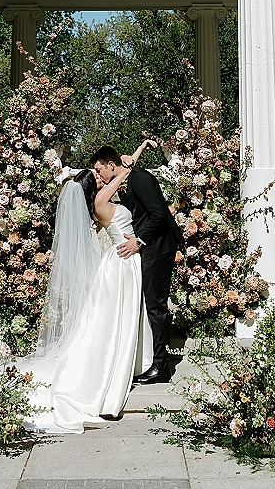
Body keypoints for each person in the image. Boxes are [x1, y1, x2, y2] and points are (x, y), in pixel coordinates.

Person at [18, 140, 155, 434]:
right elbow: (120, 173)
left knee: (119, 318)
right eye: (95, 175)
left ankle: (123, 362)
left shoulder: (102, 201)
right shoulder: (100, 202)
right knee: (114, 319)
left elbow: (119, 170)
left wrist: (139, 149)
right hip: (120, 263)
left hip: (124, 261)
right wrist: (130, 159)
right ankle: (107, 373)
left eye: (98, 172)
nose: (100, 176)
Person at [91, 145, 184, 384]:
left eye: (100, 169)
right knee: (150, 304)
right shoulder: (129, 178)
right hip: (147, 249)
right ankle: (152, 359)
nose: (99, 175)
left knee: (156, 305)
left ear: (111, 165)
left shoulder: (140, 179)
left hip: (158, 248)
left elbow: (159, 215)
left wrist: (139, 242)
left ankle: (161, 367)